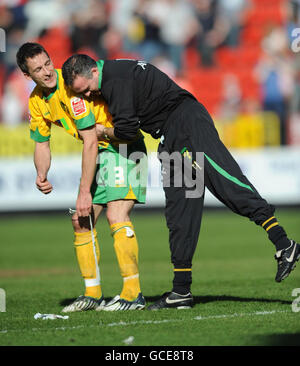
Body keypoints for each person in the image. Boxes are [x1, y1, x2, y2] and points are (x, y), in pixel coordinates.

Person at [61, 55, 300, 311]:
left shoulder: (113, 80)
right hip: (170, 137)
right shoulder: (112, 75)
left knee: (227, 182)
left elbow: (128, 132)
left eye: (86, 88)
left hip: (187, 124)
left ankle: (284, 243)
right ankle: (181, 291)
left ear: (93, 71)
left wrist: (102, 132)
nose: (87, 95)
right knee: (179, 213)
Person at [16, 43, 148, 312]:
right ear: (28, 76)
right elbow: (41, 142)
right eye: (38, 69)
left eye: (47, 63)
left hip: (122, 146)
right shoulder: (36, 101)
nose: (47, 71)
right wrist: (41, 173)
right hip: (101, 152)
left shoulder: (69, 89)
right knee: (80, 220)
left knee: (116, 215)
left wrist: (83, 192)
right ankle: (93, 294)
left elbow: (90, 141)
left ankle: (133, 294)